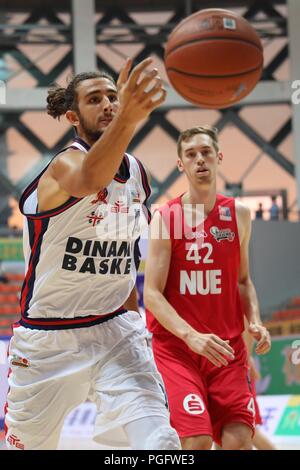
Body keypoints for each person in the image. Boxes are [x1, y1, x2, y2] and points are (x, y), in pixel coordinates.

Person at [4, 58, 181, 450]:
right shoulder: (64, 165)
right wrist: (129, 120)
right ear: (72, 115)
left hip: (116, 332)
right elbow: (90, 179)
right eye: (94, 99)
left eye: (114, 98)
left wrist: (132, 318)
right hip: (49, 340)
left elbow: (124, 256)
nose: (108, 105)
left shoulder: (136, 173)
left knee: (160, 443)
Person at [144, 125, 271, 450]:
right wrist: (190, 335)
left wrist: (254, 320)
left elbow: (243, 281)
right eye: (191, 154)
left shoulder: (239, 214)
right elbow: (152, 295)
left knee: (239, 438)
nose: (200, 160)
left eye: (206, 152)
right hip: (179, 350)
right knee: (197, 441)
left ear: (219, 157)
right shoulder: (165, 217)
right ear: (180, 165)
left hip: (227, 349)